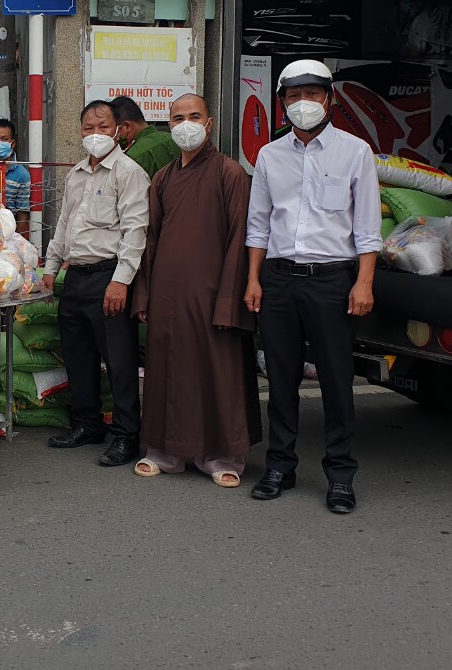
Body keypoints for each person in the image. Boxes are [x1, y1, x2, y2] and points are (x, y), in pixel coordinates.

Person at [244, 60, 381, 514]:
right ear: (282, 102)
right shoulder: (269, 155)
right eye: (294, 96)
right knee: (280, 379)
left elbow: (366, 229)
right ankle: (279, 467)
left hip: (332, 282)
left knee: (336, 382)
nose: (304, 104)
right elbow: (258, 225)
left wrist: (363, 283)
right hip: (279, 280)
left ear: (330, 100)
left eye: (313, 95)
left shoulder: (355, 151)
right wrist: (253, 280)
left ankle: (340, 475)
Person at [132, 94, 260, 485]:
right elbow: (149, 239)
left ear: (209, 122)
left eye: (193, 116)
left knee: (216, 373)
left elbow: (241, 237)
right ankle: (166, 453)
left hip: (211, 293)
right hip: (168, 294)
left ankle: (221, 457)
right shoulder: (164, 178)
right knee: (166, 372)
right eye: (177, 118)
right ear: (168, 127)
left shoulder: (230, 173)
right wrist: (145, 294)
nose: (185, 124)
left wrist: (228, 301)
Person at [43, 101, 149, 467]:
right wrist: (50, 267)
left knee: (119, 361)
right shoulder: (75, 174)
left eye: (102, 127)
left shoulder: (128, 172)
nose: (95, 135)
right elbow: (64, 224)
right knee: (78, 356)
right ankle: (86, 424)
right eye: (88, 128)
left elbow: (136, 232)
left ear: (118, 129)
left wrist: (121, 282)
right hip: (75, 278)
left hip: (109, 277)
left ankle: (126, 435)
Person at [110, 95, 181, 180]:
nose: (115, 137)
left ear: (127, 126)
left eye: (116, 131)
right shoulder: (175, 140)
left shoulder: (133, 156)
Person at [0, 118, 32, 241]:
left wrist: (16, 240)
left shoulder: (22, 175)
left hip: (7, 235)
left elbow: (23, 213)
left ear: (12, 143)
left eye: (4, 139)